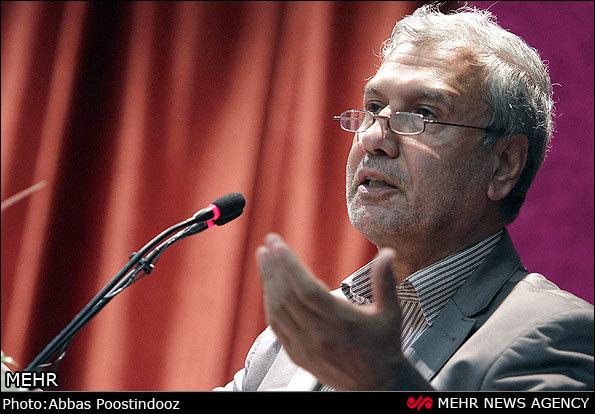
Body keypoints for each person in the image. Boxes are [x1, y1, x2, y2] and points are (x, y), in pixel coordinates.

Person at [216, 5, 594, 391]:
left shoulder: (556, 334)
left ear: (503, 165)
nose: (372, 137)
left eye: (423, 114)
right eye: (373, 108)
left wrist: (385, 382)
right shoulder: (292, 343)